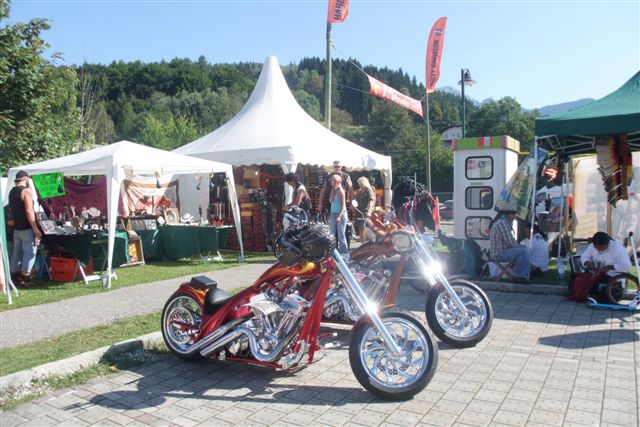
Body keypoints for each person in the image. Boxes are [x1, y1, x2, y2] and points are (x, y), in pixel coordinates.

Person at [569, 231, 632, 302]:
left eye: (601, 247)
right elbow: (584, 256)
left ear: (608, 244)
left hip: (614, 277)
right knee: (579, 280)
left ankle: (594, 296)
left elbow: (627, 266)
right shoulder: (592, 246)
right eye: (597, 247)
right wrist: (587, 263)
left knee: (600, 288)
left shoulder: (618, 249)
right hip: (597, 274)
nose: (599, 249)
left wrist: (610, 267)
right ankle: (587, 296)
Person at [9, 171, 42, 286]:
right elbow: (29, 210)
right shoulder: (26, 191)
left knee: (16, 253)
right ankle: (24, 278)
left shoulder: (12, 192)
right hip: (27, 229)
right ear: (25, 178)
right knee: (30, 253)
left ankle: (15, 277)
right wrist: (35, 228)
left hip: (17, 229)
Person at [489, 202, 530, 283]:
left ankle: (518, 274)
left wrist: (520, 247)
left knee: (524, 249)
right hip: (498, 254)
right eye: (514, 214)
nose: (515, 216)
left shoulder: (502, 222)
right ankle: (521, 276)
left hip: (501, 252)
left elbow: (511, 243)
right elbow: (510, 243)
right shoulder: (502, 223)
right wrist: (520, 247)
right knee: (524, 251)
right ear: (508, 214)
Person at [329, 174, 348, 257]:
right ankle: (333, 252)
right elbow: (331, 200)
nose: (331, 182)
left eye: (333, 180)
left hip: (340, 214)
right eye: (331, 180)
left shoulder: (340, 190)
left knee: (341, 235)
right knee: (331, 234)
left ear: (337, 181)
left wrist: (339, 216)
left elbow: (343, 205)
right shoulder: (334, 189)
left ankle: (344, 253)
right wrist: (333, 191)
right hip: (333, 213)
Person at [354, 176, 376, 241]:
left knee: (365, 229)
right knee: (360, 229)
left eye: (359, 183)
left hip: (365, 212)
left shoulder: (369, 190)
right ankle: (362, 243)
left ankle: (368, 243)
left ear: (363, 183)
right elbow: (356, 201)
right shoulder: (360, 191)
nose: (359, 185)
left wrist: (369, 211)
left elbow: (371, 202)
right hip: (359, 212)